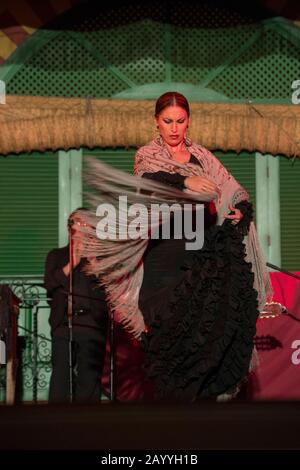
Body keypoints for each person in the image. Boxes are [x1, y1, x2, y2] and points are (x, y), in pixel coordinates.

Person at [80, 92, 272, 402]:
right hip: (163, 267)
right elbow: (147, 181)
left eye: (180, 121)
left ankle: (199, 423)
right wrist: (185, 183)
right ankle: (174, 425)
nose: (174, 128)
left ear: (188, 122)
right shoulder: (148, 154)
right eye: (167, 121)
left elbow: (234, 189)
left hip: (201, 261)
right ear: (156, 123)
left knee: (209, 343)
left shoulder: (203, 157)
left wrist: (239, 207)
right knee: (172, 351)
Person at [44, 209, 108, 403]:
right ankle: (55, 420)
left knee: (89, 378)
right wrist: (72, 262)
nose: (81, 227)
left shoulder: (99, 258)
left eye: (86, 224)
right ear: (69, 228)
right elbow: (50, 284)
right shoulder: (56, 256)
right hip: (64, 323)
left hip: (92, 323)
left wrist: (95, 263)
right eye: (77, 223)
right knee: (61, 375)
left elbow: (110, 291)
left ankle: (87, 423)